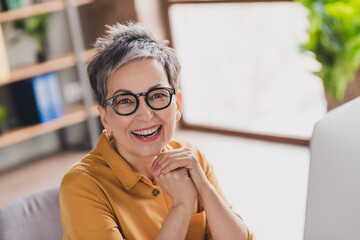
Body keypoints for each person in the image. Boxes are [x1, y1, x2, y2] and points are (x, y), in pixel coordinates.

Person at [59, 22, 255, 240]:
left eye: (158, 95)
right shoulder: (81, 186)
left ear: (178, 105)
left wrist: (204, 188)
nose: (146, 115)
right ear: (105, 117)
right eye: (124, 100)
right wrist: (182, 206)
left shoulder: (191, 158)